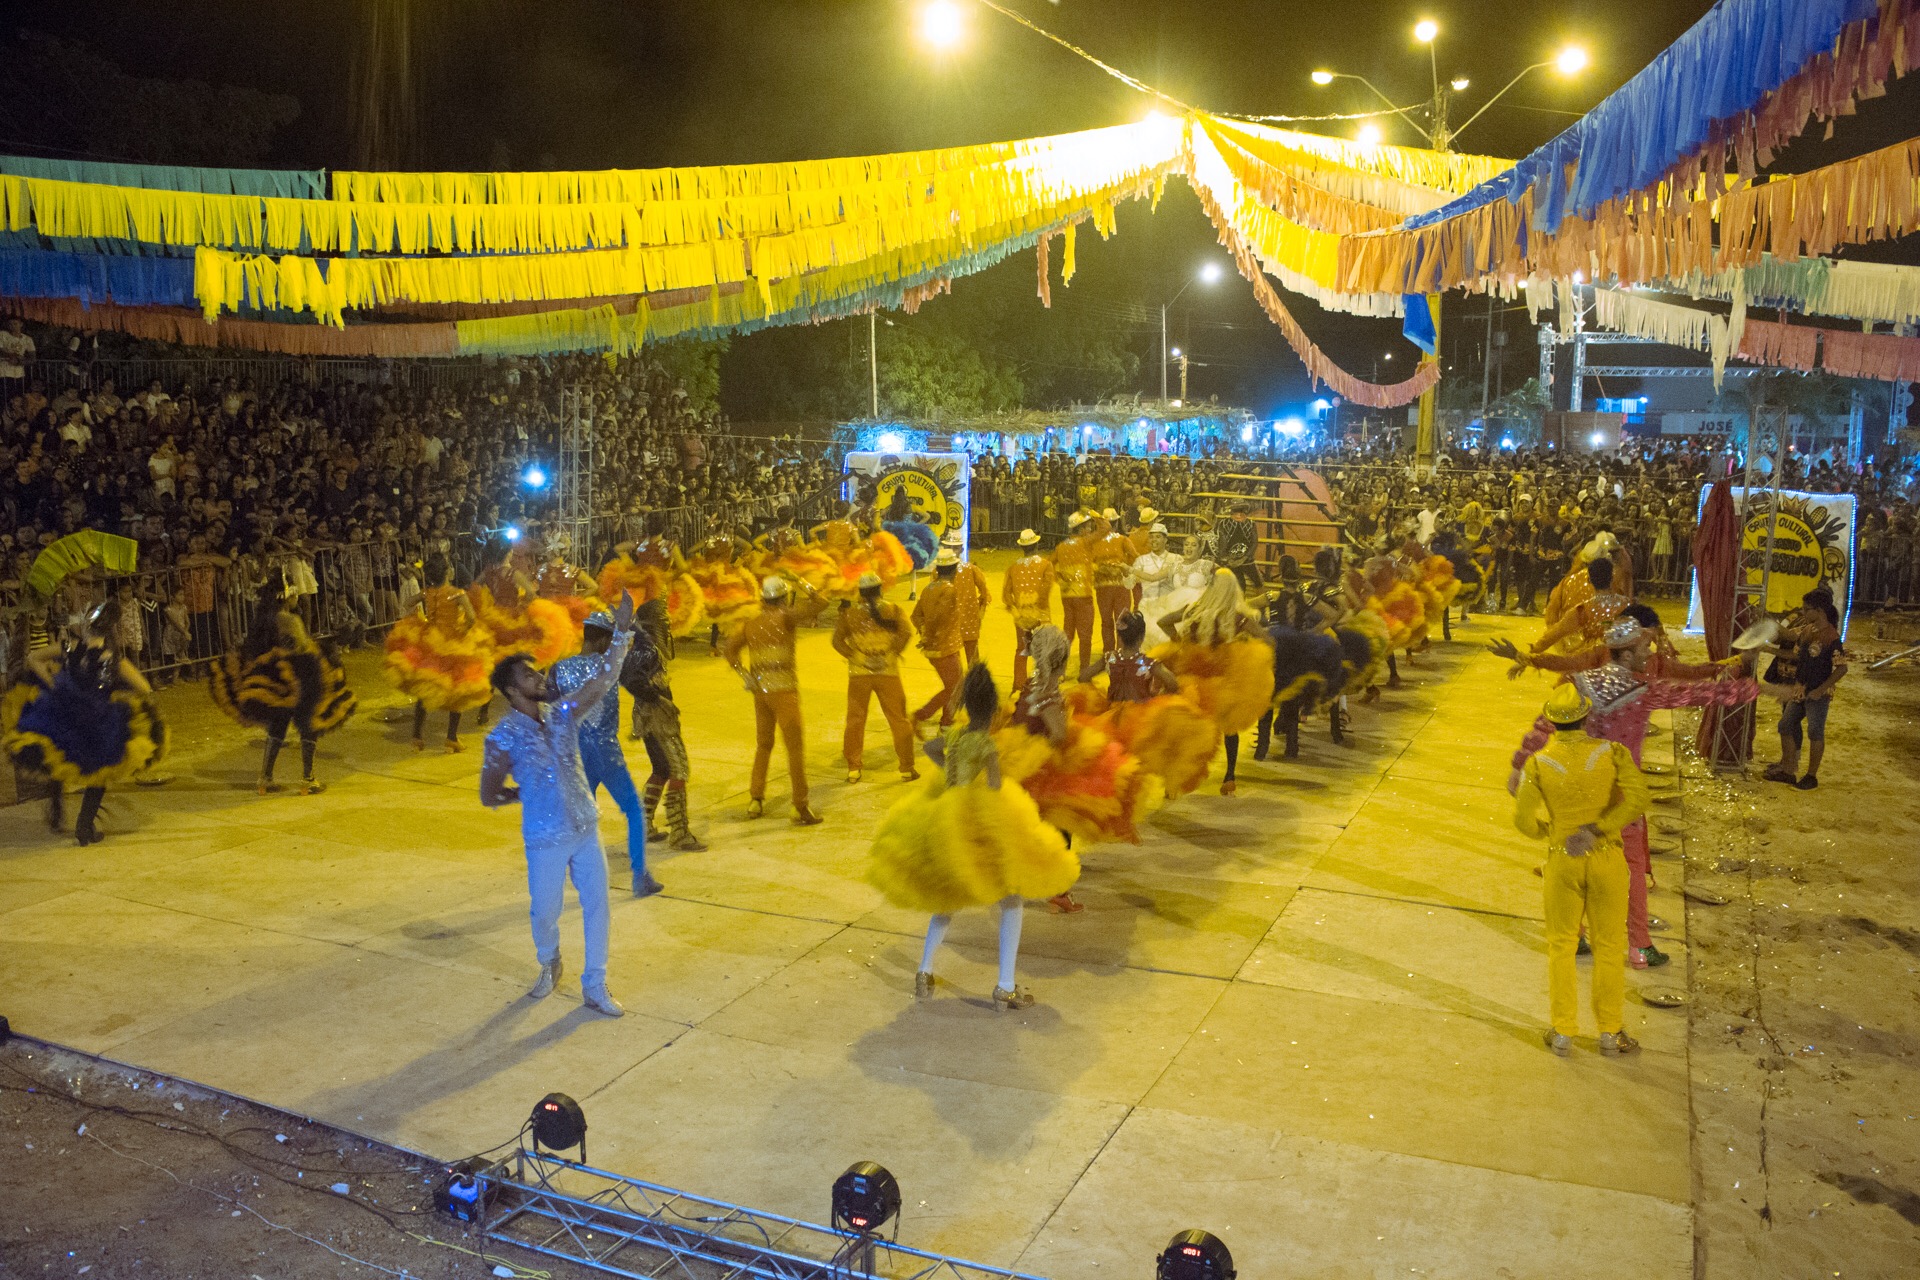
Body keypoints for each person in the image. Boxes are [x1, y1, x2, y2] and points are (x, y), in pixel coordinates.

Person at [1499, 609, 1763, 969]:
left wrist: (1519, 765)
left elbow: (1545, 722)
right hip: (1622, 794)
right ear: (1625, 653)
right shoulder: (1644, 691)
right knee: (1632, 868)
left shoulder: (1579, 683)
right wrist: (1757, 687)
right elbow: (1702, 694)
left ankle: (1574, 936)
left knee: (1572, 859)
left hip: (1579, 790)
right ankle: (1639, 945)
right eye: (1643, 648)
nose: (1649, 654)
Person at [868, 663, 1077, 1010]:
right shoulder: (985, 744)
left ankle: (924, 970)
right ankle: (1005, 985)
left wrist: (951, 772)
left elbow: (931, 750)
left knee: (946, 900)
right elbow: (995, 785)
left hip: (944, 818)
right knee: (1011, 898)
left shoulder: (955, 735)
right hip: (977, 819)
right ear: (994, 710)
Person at [480, 590, 638, 1018]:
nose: (541, 680)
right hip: (544, 836)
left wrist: (622, 630)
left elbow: (604, 678)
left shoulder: (564, 713)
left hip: (585, 826)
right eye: (531, 677)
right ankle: (550, 960)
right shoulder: (501, 737)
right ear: (513, 690)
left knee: (598, 904)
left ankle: (595, 982)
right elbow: (487, 793)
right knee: (544, 911)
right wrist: (522, 794)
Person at [1513, 683, 1649, 1058]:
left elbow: (1523, 821)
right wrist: (1599, 828)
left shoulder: (1538, 763)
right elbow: (1638, 798)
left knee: (1562, 946)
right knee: (1608, 947)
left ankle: (1563, 1031)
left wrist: (1551, 831)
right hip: (1606, 857)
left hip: (1562, 858)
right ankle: (1610, 1031)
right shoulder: (1612, 753)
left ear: (1552, 723)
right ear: (1588, 717)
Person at [1, 602, 167, 845]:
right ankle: (84, 825)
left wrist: (53, 682)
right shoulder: (113, 660)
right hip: (96, 722)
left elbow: (33, 658)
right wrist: (121, 693)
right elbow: (144, 688)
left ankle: (57, 812)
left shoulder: (69, 648)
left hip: (65, 713)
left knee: (58, 753)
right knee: (99, 770)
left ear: (87, 626)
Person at [552, 609, 665, 897]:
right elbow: (644, 649)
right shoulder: (610, 666)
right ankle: (640, 876)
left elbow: (549, 711)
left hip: (577, 754)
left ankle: (565, 872)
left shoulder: (559, 669)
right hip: (606, 753)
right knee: (634, 810)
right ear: (603, 639)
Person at [209, 583, 357, 795]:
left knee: (278, 725)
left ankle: (265, 778)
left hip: (275, 676)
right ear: (287, 597)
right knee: (310, 723)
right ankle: (308, 779)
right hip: (300, 674)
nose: (297, 596)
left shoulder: (266, 621)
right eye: (294, 593)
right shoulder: (291, 619)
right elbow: (302, 646)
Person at [1158, 569, 1274, 797]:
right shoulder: (1237, 618)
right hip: (1223, 681)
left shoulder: (1193, 611)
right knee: (1229, 728)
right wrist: (1246, 650)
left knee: (1188, 732)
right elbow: (1268, 640)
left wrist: (1179, 641)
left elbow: (1163, 621)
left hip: (1192, 679)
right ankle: (1229, 778)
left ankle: (1174, 782)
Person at [726, 576, 820, 824]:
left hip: (761, 693)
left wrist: (744, 674)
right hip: (785, 692)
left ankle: (755, 799)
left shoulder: (751, 622)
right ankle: (799, 806)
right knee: (795, 750)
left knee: (763, 744)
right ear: (783, 597)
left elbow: (729, 649)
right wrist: (802, 581)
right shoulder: (786, 617)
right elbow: (821, 603)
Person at [384, 553, 491, 752]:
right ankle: (451, 739)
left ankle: (417, 738)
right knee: (456, 690)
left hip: (430, 642)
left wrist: (421, 619)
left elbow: (407, 603)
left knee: (425, 689)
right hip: (452, 643)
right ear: (448, 572)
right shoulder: (457, 593)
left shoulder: (427, 593)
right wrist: (463, 630)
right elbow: (471, 617)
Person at [621, 599, 705, 852]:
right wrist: (657, 699)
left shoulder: (647, 646)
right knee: (678, 768)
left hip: (652, 716)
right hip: (656, 718)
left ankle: (644, 825)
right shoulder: (646, 648)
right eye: (663, 619)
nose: (668, 623)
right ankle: (679, 832)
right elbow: (629, 678)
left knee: (662, 768)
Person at [834, 571, 918, 784]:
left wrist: (856, 656)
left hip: (859, 673)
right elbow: (906, 633)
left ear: (860, 593)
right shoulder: (893, 610)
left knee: (855, 719)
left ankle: (854, 768)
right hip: (887, 671)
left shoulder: (850, 614)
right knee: (898, 719)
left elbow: (837, 642)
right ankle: (907, 767)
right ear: (880, 589)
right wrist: (891, 653)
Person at [1762, 585, 1848, 790]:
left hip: (1817, 692)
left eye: (1806, 609)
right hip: (1802, 690)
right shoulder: (1809, 631)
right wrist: (1768, 650)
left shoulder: (1831, 637)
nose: (1803, 612)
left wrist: (1821, 689)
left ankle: (1810, 775)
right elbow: (1796, 655)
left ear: (1819, 611)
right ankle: (1790, 770)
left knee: (1814, 731)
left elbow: (1842, 668)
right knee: (1786, 725)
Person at [911, 549, 965, 734]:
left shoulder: (929, 588)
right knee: (955, 687)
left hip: (939, 647)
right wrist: (930, 635)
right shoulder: (949, 590)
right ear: (954, 569)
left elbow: (916, 615)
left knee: (955, 685)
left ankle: (947, 721)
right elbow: (937, 617)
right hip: (944, 647)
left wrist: (925, 633)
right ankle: (921, 715)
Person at [1002, 528, 1055, 688]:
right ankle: (1044, 683)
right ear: (1037, 545)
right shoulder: (1046, 564)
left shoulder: (1013, 567)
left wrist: (1018, 609)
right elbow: (1045, 591)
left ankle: (1018, 685)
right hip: (1041, 614)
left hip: (1021, 616)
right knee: (1044, 648)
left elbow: (1006, 595)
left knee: (1022, 649)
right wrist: (1036, 607)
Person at [1052, 512, 1096, 681]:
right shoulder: (1085, 542)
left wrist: (1061, 580)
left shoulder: (1062, 546)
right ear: (1082, 529)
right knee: (1085, 636)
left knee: (1068, 634)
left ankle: (1060, 671)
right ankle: (1084, 671)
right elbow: (1106, 528)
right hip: (1083, 595)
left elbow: (1049, 564)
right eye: (1087, 526)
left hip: (1067, 596)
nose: (1090, 529)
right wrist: (1092, 513)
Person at [1088, 508, 1133, 659]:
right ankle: (1121, 653)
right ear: (1116, 522)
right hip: (1120, 586)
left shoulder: (1093, 543)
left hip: (1103, 587)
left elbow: (1088, 563)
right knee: (1122, 622)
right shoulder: (1123, 539)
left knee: (1106, 621)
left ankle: (1108, 653)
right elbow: (1136, 557)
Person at [944, 534, 991, 667]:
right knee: (953, 660)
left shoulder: (970, 569)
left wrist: (980, 612)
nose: (953, 551)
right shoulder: (938, 572)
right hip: (951, 620)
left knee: (972, 657)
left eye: (956, 548)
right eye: (950, 548)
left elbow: (984, 592)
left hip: (968, 619)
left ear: (961, 550)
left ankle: (973, 684)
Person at [1130, 523, 1180, 643]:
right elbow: (1129, 584)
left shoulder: (1176, 559)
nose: (1153, 540)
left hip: (1168, 611)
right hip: (1147, 609)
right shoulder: (1141, 560)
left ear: (1165, 539)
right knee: (1146, 646)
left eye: (1158, 536)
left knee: (1167, 647)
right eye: (1151, 537)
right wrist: (1125, 575)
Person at [1214, 501, 1261, 596]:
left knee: (1257, 582)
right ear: (1231, 512)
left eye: (1241, 511)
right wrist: (1228, 559)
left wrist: (1244, 558)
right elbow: (1222, 544)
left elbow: (1254, 542)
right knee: (1239, 583)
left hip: (1247, 559)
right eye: (1236, 511)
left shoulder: (1250, 524)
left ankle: (1262, 605)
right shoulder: (1223, 524)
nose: (1238, 515)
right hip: (1232, 560)